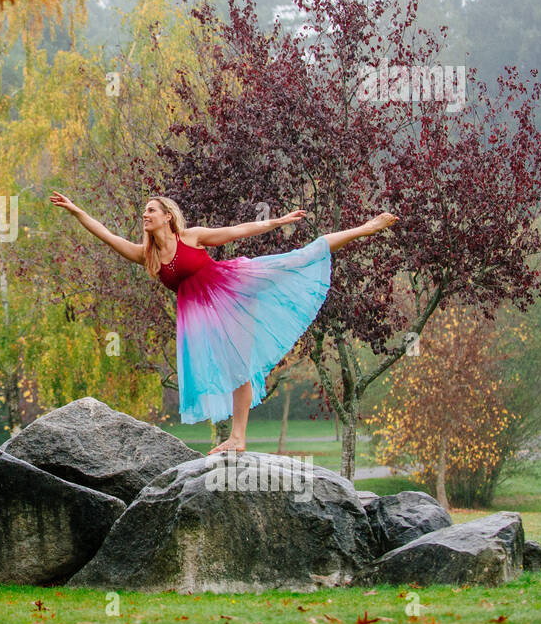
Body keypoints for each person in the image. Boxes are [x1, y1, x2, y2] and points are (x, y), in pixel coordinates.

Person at [49, 191, 397, 454]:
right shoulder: (147, 255)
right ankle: (238, 438)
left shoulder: (191, 237)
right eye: (144, 212)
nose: (145, 215)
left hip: (233, 289)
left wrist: (275, 222)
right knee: (237, 369)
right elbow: (107, 237)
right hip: (202, 320)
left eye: (151, 210)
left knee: (298, 259)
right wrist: (78, 210)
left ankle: (366, 228)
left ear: (168, 216)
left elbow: (236, 232)